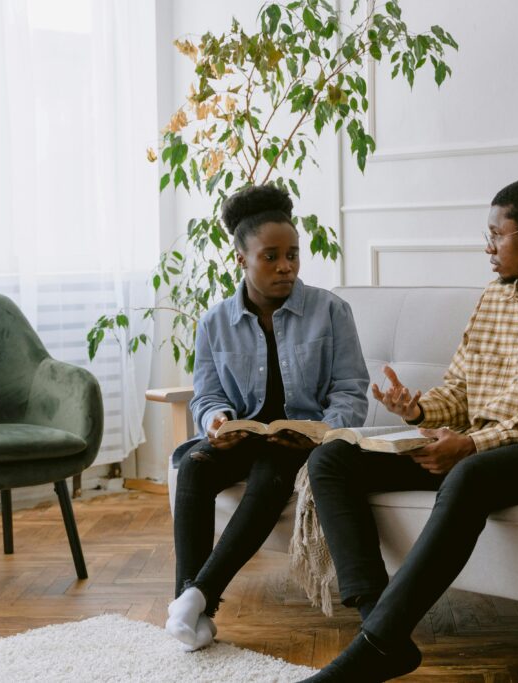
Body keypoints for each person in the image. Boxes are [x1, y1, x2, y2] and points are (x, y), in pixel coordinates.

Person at [300, 177, 518, 682]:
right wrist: (418, 411)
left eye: (495, 235)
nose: (487, 248)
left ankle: (372, 649)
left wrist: (474, 442)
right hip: (485, 446)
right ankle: (380, 627)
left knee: (470, 475)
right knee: (332, 458)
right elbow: (463, 389)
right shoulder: (495, 297)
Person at [164, 184, 369, 651]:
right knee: (193, 466)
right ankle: (188, 601)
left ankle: (197, 599)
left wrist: (321, 434)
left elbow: (351, 391)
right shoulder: (214, 321)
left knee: (270, 472)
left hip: (300, 443)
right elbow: (207, 394)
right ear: (241, 258)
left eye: (293, 255)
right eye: (271, 256)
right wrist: (215, 421)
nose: (286, 267)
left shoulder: (331, 311)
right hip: (242, 436)